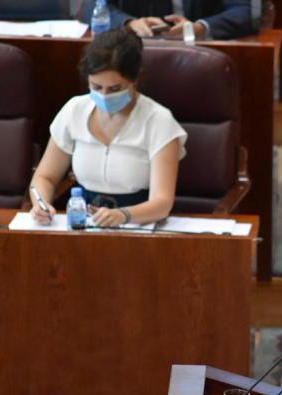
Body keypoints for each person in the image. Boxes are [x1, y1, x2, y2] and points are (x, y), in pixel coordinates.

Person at [29, 28, 186, 227]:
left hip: (139, 225)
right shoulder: (74, 110)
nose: (104, 95)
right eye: (96, 87)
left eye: (114, 89)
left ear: (134, 79)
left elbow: (162, 202)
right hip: (82, 223)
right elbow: (45, 177)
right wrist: (41, 204)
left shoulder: (158, 120)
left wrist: (123, 215)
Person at [77, 0, 258, 39]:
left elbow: (246, 10)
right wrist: (129, 23)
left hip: (200, 50)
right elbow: (90, 6)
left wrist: (201, 28)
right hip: (135, 50)